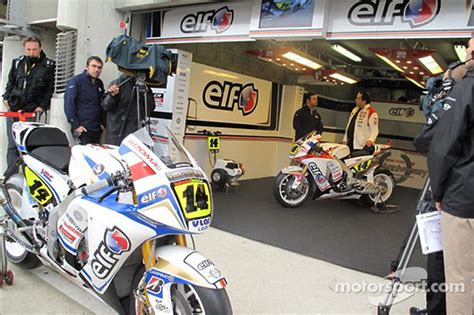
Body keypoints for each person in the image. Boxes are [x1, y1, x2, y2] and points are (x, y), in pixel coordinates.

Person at [427, 38, 474, 315]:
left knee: (460, 280)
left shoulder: (466, 87)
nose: (468, 51)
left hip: (464, 201)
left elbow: (442, 148)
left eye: (473, 46)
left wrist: (438, 193)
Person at [2, 36, 55, 178]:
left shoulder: (48, 66)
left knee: (30, 147)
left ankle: (29, 178)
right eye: (29, 50)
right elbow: (10, 82)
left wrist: (42, 106)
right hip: (14, 110)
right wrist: (6, 98)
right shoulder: (18, 63)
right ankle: (10, 178)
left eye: (34, 50)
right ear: (25, 48)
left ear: (40, 49)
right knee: (12, 145)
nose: (31, 53)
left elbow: (50, 88)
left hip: (32, 112)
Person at [101, 74, 154, 145]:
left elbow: (149, 110)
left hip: (135, 134)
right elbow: (106, 106)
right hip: (116, 133)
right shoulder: (119, 83)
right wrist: (112, 96)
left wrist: (146, 94)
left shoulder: (144, 86)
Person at [64, 56, 105, 144]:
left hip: (96, 128)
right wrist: (76, 125)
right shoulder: (76, 81)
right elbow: (69, 104)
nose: (97, 69)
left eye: (99, 67)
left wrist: (102, 124)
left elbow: (102, 104)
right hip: (83, 128)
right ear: (86, 67)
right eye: (93, 66)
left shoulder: (99, 83)